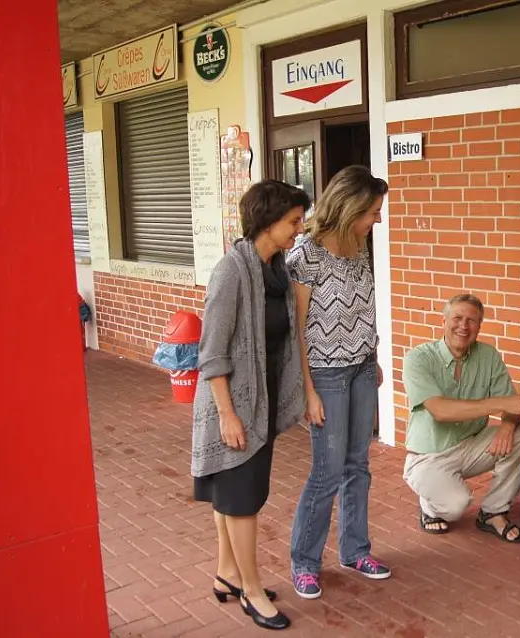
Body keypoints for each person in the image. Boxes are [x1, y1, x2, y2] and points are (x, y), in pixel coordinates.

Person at [191, 179, 310, 631]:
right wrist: (227, 414)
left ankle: (228, 573)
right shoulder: (231, 271)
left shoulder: (275, 271)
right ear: (268, 221)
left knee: (233, 494)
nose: (299, 229)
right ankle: (252, 591)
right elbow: (212, 353)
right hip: (234, 405)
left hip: (261, 399)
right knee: (243, 499)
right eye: (293, 221)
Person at [288, 165, 390, 599]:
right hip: (325, 375)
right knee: (327, 472)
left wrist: (373, 356)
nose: (377, 220)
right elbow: (296, 329)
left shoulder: (358, 245)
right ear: (349, 209)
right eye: (372, 212)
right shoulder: (305, 255)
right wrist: (307, 391)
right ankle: (305, 562)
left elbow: (363, 305)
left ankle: (355, 551)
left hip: (362, 368)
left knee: (357, 466)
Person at [402, 294, 520, 541]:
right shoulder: (418, 358)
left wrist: (508, 426)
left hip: (471, 446)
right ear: (444, 321)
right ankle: (429, 506)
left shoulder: (488, 355)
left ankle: (493, 512)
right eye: (457, 318)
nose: (463, 326)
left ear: (479, 326)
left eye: (472, 320)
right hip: (428, 456)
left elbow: (512, 405)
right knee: (456, 505)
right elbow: (440, 411)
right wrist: (501, 404)